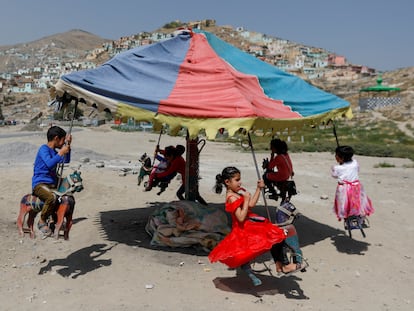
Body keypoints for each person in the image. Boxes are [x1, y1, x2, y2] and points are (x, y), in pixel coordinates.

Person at [208, 166, 304, 286]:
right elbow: (241, 217)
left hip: (251, 223)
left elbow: (251, 204)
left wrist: (258, 189)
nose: (240, 182)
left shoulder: (236, 193)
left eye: (239, 179)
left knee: (275, 236)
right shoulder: (231, 198)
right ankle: (283, 264)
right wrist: (246, 199)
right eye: (237, 180)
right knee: (275, 235)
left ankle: (280, 265)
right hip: (245, 228)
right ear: (227, 182)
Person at [32, 125, 72, 236]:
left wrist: (68, 145)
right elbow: (50, 164)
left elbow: (66, 160)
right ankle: (42, 221)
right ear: (56, 138)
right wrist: (61, 152)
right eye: (62, 140)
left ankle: (56, 219)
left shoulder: (54, 151)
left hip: (52, 183)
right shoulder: (43, 149)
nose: (63, 143)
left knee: (68, 188)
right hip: (40, 184)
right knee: (52, 197)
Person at [331, 145, 374, 221]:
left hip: (344, 188)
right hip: (356, 186)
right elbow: (357, 170)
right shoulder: (355, 163)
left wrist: (335, 169)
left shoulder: (337, 168)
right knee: (356, 200)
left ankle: (345, 213)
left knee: (343, 202)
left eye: (336, 155)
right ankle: (358, 215)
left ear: (341, 158)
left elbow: (334, 176)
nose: (335, 157)